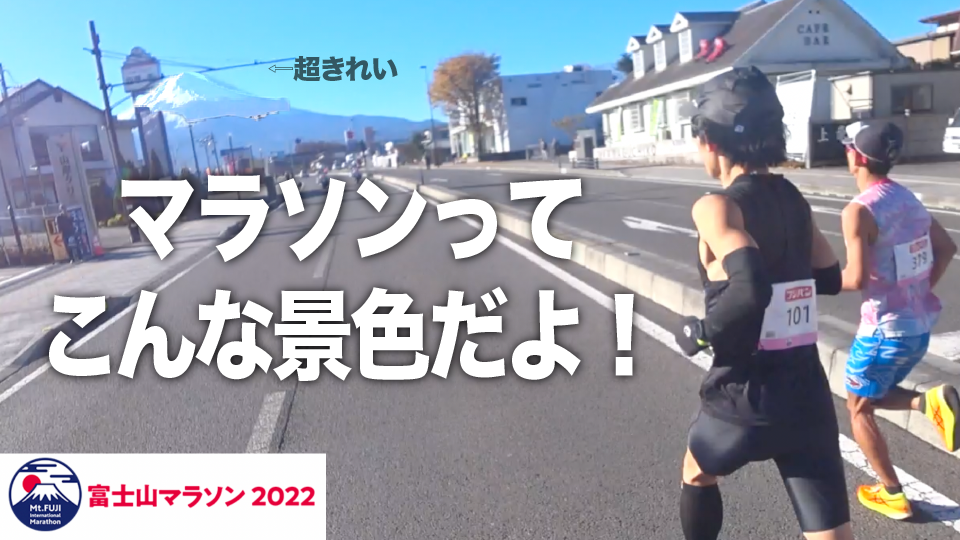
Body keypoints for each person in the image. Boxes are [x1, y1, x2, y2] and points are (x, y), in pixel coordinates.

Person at [672, 67, 853, 540]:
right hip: (806, 393)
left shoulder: (716, 206)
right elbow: (829, 276)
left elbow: (751, 286)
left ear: (710, 141)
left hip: (745, 394)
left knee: (696, 471)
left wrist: (703, 332)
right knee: (830, 531)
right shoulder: (794, 198)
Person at [838, 121, 959, 520]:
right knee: (869, 395)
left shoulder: (859, 211)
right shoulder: (907, 198)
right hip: (917, 327)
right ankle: (927, 401)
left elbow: (855, 278)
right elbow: (946, 247)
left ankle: (892, 494)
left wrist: (808, 280)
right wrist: (915, 292)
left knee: (858, 408)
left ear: (856, 157)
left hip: (883, 331)